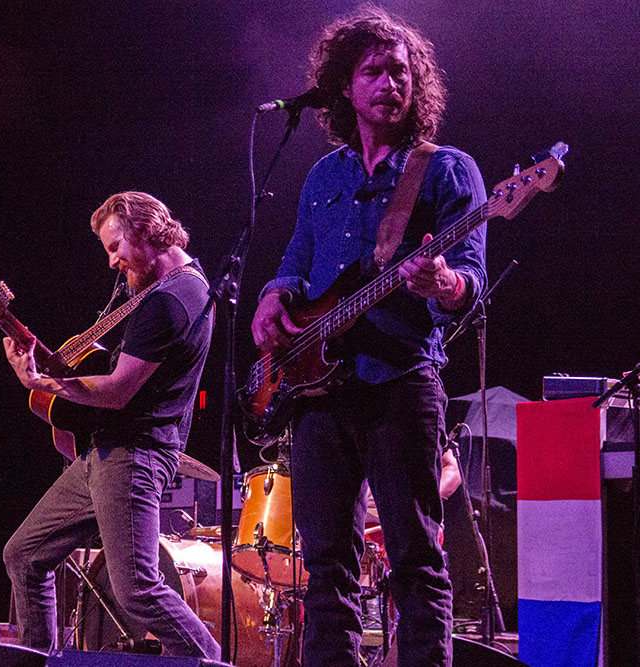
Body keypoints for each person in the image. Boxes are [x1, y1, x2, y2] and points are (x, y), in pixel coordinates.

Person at [251, 7, 487, 666]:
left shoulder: (445, 170)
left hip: (400, 384)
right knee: (325, 570)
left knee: (415, 562)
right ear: (344, 87)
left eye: (402, 71)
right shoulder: (325, 176)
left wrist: (440, 282)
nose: (391, 82)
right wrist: (273, 298)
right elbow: (297, 259)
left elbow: (472, 281)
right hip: (318, 392)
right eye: (374, 71)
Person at [2, 191, 220, 660]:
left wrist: (43, 382)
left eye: (115, 246)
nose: (112, 261)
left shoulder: (172, 301)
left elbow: (118, 390)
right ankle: (38, 660)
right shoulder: (163, 290)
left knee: (138, 589)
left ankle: (213, 663)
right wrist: (49, 369)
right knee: (24, 555)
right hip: (107, 452)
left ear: (146, 231)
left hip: (134, 454)